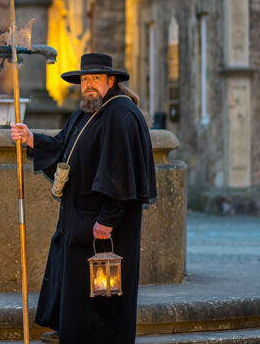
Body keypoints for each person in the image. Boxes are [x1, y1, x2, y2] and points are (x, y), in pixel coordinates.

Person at [10, 53, 156, 343]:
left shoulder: (120, 114)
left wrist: (107, 219)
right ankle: (72, 332)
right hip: (77, 218)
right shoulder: (86, 112)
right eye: (85, 79)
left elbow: (120, 171)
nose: (88, 85)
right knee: (77, 283)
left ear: (110, 81)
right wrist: (31, 139)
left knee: (100, 289)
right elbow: (63, 147)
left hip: (101, 222)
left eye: (95, 79)